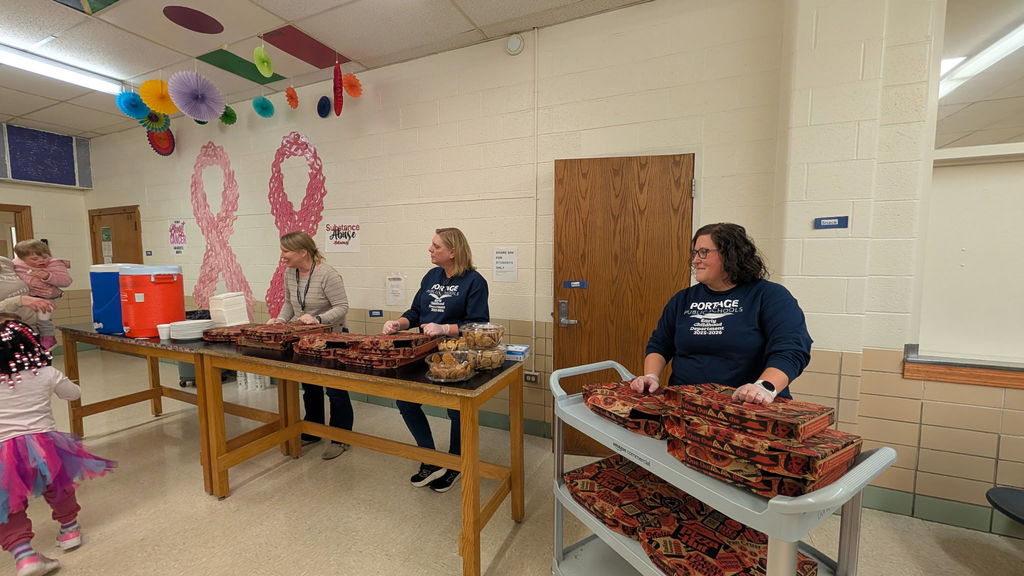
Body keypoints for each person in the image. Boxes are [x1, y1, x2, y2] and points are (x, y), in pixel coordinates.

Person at [629, 222, 812, 406]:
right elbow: (660, 344)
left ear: (730, 254)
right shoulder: (683, 299)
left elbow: (792, 350)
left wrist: (764, 388)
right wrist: (651, 376)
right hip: (685, 404)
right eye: (695, 253)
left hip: (747, 406)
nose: (695, 260)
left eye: (704, 252)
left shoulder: (769, 296)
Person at [0, 320, 116, 576]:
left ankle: (24, 555)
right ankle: (70, 530)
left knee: (8, 504)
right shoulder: (45, 373)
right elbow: (73, 394)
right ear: (32, 346)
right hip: (44, 446)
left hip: (2, 452)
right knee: (59, 487)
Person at [382, 227, 489, 493]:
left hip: (456, 355)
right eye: (432, 245)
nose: (430, 249)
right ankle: (429, 458)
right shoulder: (431, 276)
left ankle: (454, 463)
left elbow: (479, 324)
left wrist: (445, 328)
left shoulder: (474, 281)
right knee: (405, 401)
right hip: (423, 350)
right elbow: (416, 312)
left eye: (436, 246)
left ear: (453, 251)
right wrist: (399, 323)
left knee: (455, 410)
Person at [269, 231, 353, 460]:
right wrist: (280, 320)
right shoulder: (289, 273)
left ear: (302, 252)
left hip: (331, 338)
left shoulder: (327, 274)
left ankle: (341, 437)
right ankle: (314, 429)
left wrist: (319, 319)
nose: (282, 255)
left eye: (286, 251)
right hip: (303, 339)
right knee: (310, 386)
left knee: (335, 389)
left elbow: (342, 306)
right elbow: (289, 302)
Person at [11, 241, 70, 351]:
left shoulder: (54, 264)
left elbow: (66, 281)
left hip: (46, 297)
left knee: (43, 318)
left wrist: (48, 276)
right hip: (27, 299)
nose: (41, 260)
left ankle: (48, 337)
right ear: (23, 259)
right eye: (35, 259)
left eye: (45, 257)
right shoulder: (16, 265)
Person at [0, 257, 56, 330]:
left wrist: (55, 291)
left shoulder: (5, 262)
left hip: (34, 326)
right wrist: (18, 300)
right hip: (9, 333)